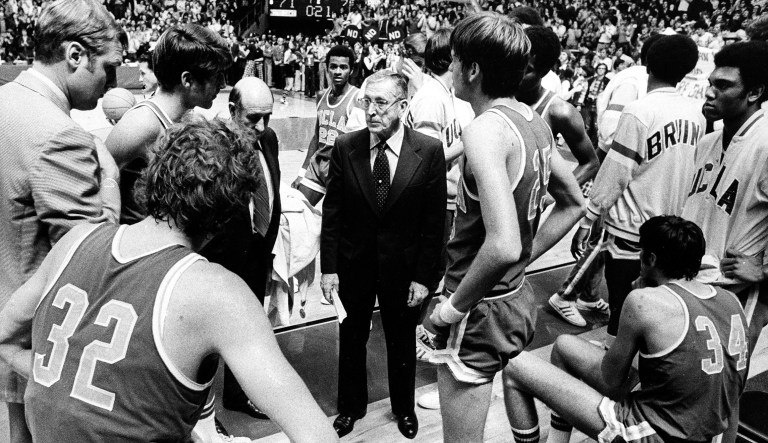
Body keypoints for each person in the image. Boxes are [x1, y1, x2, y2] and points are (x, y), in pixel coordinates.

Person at [0, 117, 338, 443]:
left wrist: (63, 382)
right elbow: (317, 436)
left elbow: (5, 339)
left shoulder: (74, 242)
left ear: (152, 176)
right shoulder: (217, 292)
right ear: (229, 211)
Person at [428, 13, 584, 442]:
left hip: (479, 306)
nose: (450, 69)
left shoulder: (485, 131)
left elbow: (501, 245)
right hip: (516, 298)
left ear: (473, 69)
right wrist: (524, 257)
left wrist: (450, 309)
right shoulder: (533, 121)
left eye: (455, 60)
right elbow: (574, 204)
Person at [503, 216, 749, 443]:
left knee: (513, 366)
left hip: (653, 433)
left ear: (650, 259)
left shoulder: (643, 301)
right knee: (565, 345)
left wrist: (635, 299)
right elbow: (733, 393)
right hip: (699, 425)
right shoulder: (731, 301)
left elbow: (611, 377)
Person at [0, 0, 123, 441]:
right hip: (35, 340)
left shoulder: (5, 99)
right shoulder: (60, 135)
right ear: (75, 55)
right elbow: (91, 256)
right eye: (108, 68)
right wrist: (108, 175)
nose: (110, 84)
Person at [320, 72, 446, 439]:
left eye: (380, 103)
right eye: (367, 102)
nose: (370, 111)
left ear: (403, 107)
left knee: (402, 340)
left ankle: (403, 408)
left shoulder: (429, 150)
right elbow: (334, 213)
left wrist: (425, 278)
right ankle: (350, 408)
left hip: (404, 272)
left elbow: (434, 224)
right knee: (351, 338)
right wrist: (329, 269)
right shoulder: (347, 146)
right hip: (353, 266)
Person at [574, 34, 704, 346]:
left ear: (647, 64)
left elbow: (616, 174)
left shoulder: (639, 110)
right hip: (673, 225)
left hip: (632, 226)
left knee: (624, 300)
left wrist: (588, 218)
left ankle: (615, 357)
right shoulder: (698, 113)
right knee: (658, 304)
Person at [548, 33, 664, 328]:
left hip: (622, 167)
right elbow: (612, 133)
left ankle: (586, 294)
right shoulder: (632, 81)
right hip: (615, 166)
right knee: (601, 239)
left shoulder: (638, 81)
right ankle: (566, 295)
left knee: (604, 242)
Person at [201, 77, 282, 420]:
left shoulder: (269, 139)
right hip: (220, 259)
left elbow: (271, 190)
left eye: (268, 116)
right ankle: (198, 411)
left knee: (248, 329)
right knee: (205, 337)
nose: (261, 127)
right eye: (253, 119)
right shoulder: (210, 146)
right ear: (233, 110)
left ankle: (238, 396)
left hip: (257, 250)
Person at [683, 40, 768, 359]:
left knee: (716, 393)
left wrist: (763, 270)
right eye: (710, 83)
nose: (709, 92)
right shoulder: (707, 141)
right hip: (691, 283)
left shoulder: (765, 143)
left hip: (734, 295)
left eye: (723, 85)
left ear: (754, 93)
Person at [106, 24, 231, 225]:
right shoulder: (141, 124)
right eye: (217, 76)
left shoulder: (187, 117)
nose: (223, 84)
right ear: (188, 80)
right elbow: (98, 186)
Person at [517, 26, 599, 188]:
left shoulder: (559, 111)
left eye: (527, 70)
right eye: (516, 64)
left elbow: (591, 163)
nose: (517, 74)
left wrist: (554, 196)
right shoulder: (496, 90)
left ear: (545, 71)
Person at [292, 44, 365, 206]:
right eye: (333, 67)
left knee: (334, 223)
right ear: (327, 68)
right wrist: (302, 172)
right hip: (318, 165)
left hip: (341, 169)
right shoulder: (321, 96)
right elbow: (316, 136)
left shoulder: (357, 98)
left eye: (343, 67)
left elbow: (362, 144)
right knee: (297, 209)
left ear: (351, 70)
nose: (338, 72)